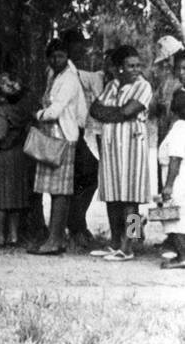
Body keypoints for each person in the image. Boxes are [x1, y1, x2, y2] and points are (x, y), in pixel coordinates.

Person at [87, 44, 153, 262]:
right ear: (119, 68)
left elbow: (128, 111)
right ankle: (115, 242)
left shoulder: (144, 87)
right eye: (130, 66)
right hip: (111, 147)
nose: (135, 69)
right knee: (113, 196)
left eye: (138, 65)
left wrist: (113, 113)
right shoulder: (112, 85)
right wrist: (116, 114)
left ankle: (129, 244)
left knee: (131, 198)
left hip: (133, 146)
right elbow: (94, 110)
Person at [29, 36, 88, 255]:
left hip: (65, 137)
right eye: (52, 56)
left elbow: (55, 110)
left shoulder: (70, 79)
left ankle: (132, 239)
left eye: (61, 55)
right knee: (55, 190)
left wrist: (37, 114)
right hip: (53, 136)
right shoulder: (54, 76)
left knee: (130, 200)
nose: (56, 60)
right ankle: (56, 236)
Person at [59, 28, 105, 251]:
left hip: (141, 145)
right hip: (97, 139)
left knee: (131, 198)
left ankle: (132, 237)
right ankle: (76, 225)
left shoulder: (140, 85)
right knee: (89, 179)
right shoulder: (73, 72)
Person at [0, 75, 32, 246]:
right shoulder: (21, 109)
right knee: (14, 196)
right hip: (18, 154)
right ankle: (14, 235)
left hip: (2, 155)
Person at [155, 89, 185, 269]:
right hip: (177, 177)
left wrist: (168, 186)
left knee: (176, 219)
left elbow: (175, 158)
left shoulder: (180, 128)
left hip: (178, 180)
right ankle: (130, 240)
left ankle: (130, 242)